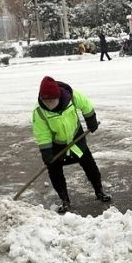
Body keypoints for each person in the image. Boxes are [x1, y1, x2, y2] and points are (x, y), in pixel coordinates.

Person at [32, 76, 112, 214]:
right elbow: (42, 133)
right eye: (46, 101)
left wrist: (91, 120)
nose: (49, 104)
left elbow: (86, 105)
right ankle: (64, 200)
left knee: (90, 166)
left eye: (52, 100)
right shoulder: (39, 111)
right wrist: (46, 153)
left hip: (77, 139)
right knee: (54, 171)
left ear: (58, 96)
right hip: (57, 144)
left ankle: (99, 192)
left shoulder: (71, 96)